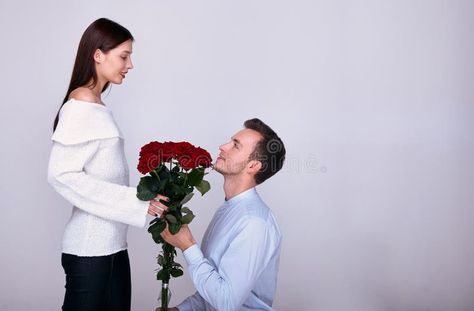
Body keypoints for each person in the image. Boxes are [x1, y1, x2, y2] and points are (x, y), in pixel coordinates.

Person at [47, 18, 167, 311]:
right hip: (89, 250)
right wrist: (135, 201)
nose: (130, 65)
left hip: (112, 246)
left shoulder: (96, 105)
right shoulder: (80, 107)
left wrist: (146, 198)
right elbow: (60, 174)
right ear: (98, 54)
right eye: (124, 56)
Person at [160, 118, 286, 311]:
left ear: (253, 166)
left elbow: (226, 302)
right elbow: (216, 287)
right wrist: (181, 309)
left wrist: (187, 246)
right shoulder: (230, 208)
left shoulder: (254, 223)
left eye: (235, 145)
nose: (222, 146)